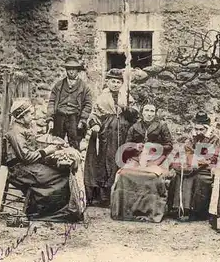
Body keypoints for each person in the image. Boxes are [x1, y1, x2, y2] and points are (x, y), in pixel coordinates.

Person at [5, 98, 84, 222]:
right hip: (19, 170)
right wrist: (47, 151)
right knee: (59, 176)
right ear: (21, 116)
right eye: (30, 114)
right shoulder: (15, 132)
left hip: (28, 165)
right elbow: (26, 157)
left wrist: (52, 147)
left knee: (62, 172)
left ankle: (59, 211)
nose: (33, 116)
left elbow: (33, 148)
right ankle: (41, 212)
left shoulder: (24, 127)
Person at [110, 101, 173, 223]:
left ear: (155, 113)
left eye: (151, 111)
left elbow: (169, 145)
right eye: (146, 111)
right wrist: (135, 146)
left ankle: (150, 211)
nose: (149, 114)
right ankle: (126, 211)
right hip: (136, 158)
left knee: (153, 177)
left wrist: (155, 146)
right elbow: (126, 146)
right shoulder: (134, 127)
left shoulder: (161, 126)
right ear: (142, 112)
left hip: (156, 159)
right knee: (124, 174)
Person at [84, 69, 139, 206]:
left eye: (118, 82)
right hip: (107, 133)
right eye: (113, 81)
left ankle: (121, 195)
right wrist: (95, 124)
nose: (115, 84)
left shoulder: (127, 96)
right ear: (107, 82)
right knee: (106, 162)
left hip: (124, 132)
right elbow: (94, 115)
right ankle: (105, 197)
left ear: (121, 84)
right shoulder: (102, 97)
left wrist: (126, 108)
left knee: (122, 159)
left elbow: (136, 113)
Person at [167, 111, 220, 221]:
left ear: (207, 128)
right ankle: (178, 208)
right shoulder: (192, 138)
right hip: (192, 166)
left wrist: (198, 162)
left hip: (206, 168)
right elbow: (188, 151)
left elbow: (212, 157)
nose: (199, 132)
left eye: (202, 129)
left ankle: (195, 212)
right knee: (180, 176)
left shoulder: (214, 139)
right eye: (197, 129)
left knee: (197, 178)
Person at [46, 56, 93, 150]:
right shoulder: (58, 85)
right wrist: (50, 118)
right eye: (69, 69)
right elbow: (51, 102)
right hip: (59, 117)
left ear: (78, 71)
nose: (71, 72)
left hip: (75, 118)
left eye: (74, 69)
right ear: (66, 70)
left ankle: (74, 162)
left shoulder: (84, 87)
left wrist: (83, 119)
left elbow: (88, 104)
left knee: (74, 143)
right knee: (56, 143)